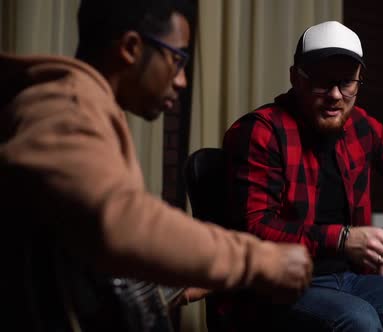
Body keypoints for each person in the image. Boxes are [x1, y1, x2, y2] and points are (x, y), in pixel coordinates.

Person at [0, 0, 312, 330]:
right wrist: (257, 260)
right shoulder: (65, 109)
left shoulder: (82, 107)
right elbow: (121, 221)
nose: (181, 81)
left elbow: (72, 262)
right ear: (131, 48)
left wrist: (172, 283)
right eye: (177, 60)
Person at [219, 21, 383, 331]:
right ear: (296, 78)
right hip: (276, 287)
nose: (335, 95)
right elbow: (256, 227)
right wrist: (342, 239)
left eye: (347, 83)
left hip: (352, 280)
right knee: (358, 319)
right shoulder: (260, 131)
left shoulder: (360, 126)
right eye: (323, 81)